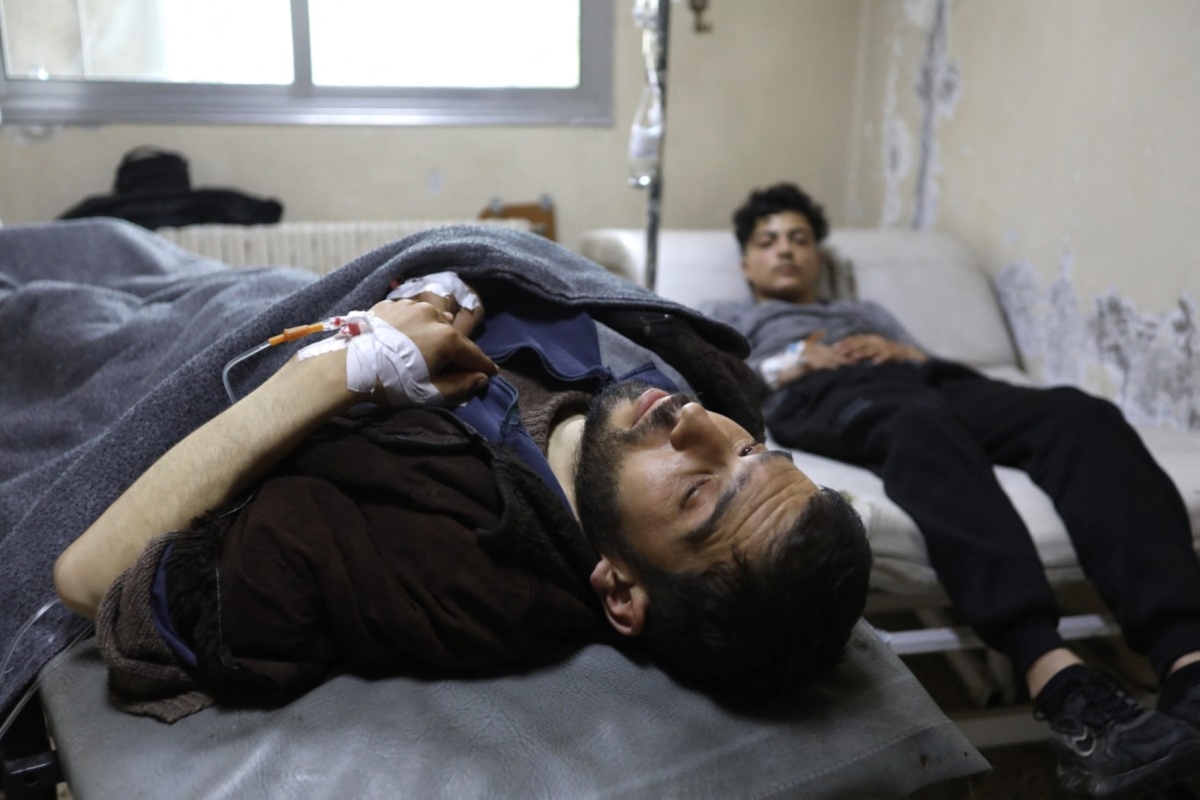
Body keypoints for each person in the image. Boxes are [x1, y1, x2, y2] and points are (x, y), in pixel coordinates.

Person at [52, 262, 872, 720]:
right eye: (751, 450)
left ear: (621, 592)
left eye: (697, 494)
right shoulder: (684, 387)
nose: (699, 422)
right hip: (262, 283)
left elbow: (90, 579)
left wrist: (350, 363)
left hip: (167, 340)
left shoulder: (444, 559)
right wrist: (452, 285)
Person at [708, 182, 1200, 797]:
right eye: (768, 241)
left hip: (923, 380)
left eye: (799, 239)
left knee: (1079, 416)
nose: (785, 250)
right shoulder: (728, 315)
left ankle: (1187, 662)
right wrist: (794, 364)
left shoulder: (865, 313)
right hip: (820, 396)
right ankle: (1055, 675)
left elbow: (928, 362)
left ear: (818, 257)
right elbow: (718, 379)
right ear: (746, 261)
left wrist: (897, 349)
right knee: (921, 427)